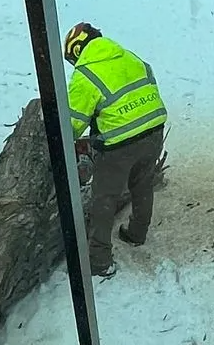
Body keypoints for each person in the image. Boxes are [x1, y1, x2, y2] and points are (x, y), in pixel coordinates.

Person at [64, 20, 167, 278]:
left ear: (76, 51)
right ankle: (137, 233)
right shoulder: (128, 56)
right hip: (154, 129)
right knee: (142, 184)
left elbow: (72, 125)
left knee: (104, 199)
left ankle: (100, 260)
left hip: (120, 144)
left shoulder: (85, 74)